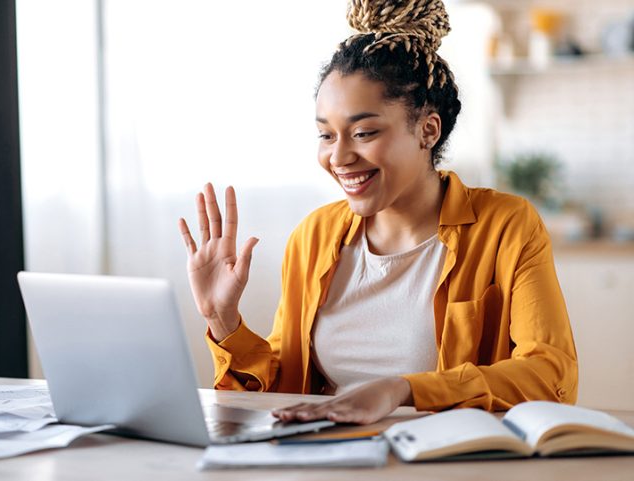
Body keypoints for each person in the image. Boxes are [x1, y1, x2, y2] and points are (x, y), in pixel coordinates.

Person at [177, 0, 577, 425]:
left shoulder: (506, 226)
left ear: (428, 130)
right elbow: (285, 391)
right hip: (329, 458)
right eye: (326, 135)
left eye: (364, 132)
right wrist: (223, 321)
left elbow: (551, 375)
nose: (339, 156)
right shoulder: (314, 236)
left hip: (445, 462)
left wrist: (402, 389)